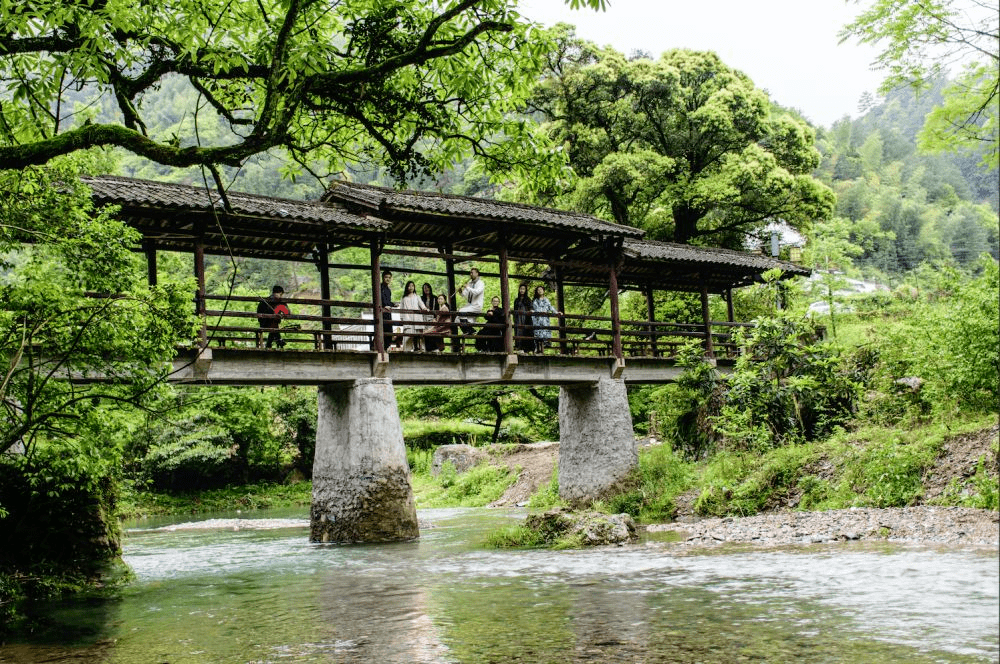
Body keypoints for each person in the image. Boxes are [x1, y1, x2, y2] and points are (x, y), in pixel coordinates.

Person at [398, 280, 429, 351]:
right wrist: (402, 318)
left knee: (418, 335)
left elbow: (421, 304)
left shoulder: (417, 297)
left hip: (416, 318)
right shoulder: (404, 298)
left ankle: (418, 348)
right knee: (408, 335)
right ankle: (407, 351)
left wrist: (425, 308)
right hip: (408, 318)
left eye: (412, 286)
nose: (411, 287)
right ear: (407, 287)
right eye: (409, 286)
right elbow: (401, 309)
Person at [257, 285, 290, 349]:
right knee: (274, 324)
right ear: (280, 293)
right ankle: (277, 340)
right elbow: (287, 312)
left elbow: (287, 312)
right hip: (266, 322)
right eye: (281, 294)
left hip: (266, 323)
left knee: (274, 324)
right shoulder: (268, 302)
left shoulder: (267, 301)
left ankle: (273, 342)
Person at [531, 285, 561, 354]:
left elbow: (550, 307)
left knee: (546, 332)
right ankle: (537, 349)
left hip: (545, 320)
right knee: (538, 334)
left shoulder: (546, 300)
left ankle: (545, 346)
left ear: (543, 291)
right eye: (538, 290)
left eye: (541, 289)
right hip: (537, 320)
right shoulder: (535, 301)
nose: (540, 291)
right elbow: (534, 309)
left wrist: (556, 312)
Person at [456, 267, 485, 335]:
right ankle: (470, 330)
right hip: (470, 305)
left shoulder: (480, 283)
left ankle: (469, 330)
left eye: (472, 273)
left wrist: (467, 287)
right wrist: (460, 291)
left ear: (477, 274)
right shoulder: (470, 283)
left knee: (461, 311)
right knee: (457, 319)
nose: (470, 274)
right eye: (470, 273)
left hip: (477, 306)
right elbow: (465, 295)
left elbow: (477, 292)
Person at [512, 282, 534, 353]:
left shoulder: (528, 299)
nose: (522, 290)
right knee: (518, 331)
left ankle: (526, 348)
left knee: (525, 331)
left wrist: (530, 311)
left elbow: (531, 308)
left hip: (525, 318)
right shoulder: (516, 300)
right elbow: (514, 309)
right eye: (521, 289)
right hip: (518, 318)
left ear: (525, 290)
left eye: (523, 289)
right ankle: (518, 346)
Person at [379, 270, 396, 350]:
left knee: (389, 330)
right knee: (382, 329)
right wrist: (384, 306)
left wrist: (393, 304)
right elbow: (379, 299)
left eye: (389, 277)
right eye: (386, 277)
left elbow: (387, 301)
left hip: (387, 312)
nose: (388, 279)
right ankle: (381, 347)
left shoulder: (388, 290)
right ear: (383, 278)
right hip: (381, 312)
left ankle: (386, 347)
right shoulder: (379, 287)